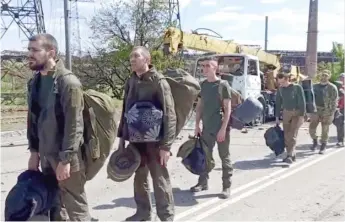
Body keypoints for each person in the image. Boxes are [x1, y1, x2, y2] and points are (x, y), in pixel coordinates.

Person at [26, 34, 91, 221]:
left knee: (76, 208)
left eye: (35, 50)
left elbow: (75, 124)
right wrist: (34, 151)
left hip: (65, 157)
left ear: (51, 53)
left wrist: (66, 159)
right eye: (29, 50)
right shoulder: (35, 83)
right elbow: (34, 120)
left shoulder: (68, 83)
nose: (30, 54)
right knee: (54, 207)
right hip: (45, 157)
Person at [117, 46, 176, 221]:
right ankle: (143, 213)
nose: (132, 60)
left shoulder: (159, 81)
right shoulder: (132, 81)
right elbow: (125, 110)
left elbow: (169, 114)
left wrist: (166, 146)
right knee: (139, 176)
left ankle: (166, 216)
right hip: (136, 139)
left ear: (147, 60)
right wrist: (122, 138)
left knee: (160, 179)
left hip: (155, 141)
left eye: (136, 56)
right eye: (130, 57)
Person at [191, 57, 233, 199]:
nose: (205, 68)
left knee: (224, 157)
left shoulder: (223, 85)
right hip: (207, 128)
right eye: (203, 66)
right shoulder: (203, 85)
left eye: (208, 66)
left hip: (220, 128)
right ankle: (203, 182)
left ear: (215, 68)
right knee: (204, 156)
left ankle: (226, 187)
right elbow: (200, 107)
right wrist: (197, 125)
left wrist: (222, 129)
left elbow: (228, 110)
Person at [275, 66, 306, 164]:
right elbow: (278, 103)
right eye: (279, 83)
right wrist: (276, 117)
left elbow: (302, 102)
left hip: (297, 113)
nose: (281, 84)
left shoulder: (297, 88)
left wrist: (302, 115)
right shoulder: (280, 89)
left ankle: (289, 155)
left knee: (292, 135)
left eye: (282, 82)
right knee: (286, 135)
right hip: (286, 113)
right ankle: (292, 153)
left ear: (287, 79)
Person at [309, 70, 339, 153]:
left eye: (326, 75)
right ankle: (315, 141)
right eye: (323, 75)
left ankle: (323, 145)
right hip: (316, 110)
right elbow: (309, 98)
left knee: (325, 128)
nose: (324, 77)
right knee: (312, 127)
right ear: (320, 76)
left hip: (327, 110)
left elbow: (335, 100)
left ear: (329, 76)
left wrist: (331, 112)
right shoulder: (314, 86)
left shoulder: (332, 87)